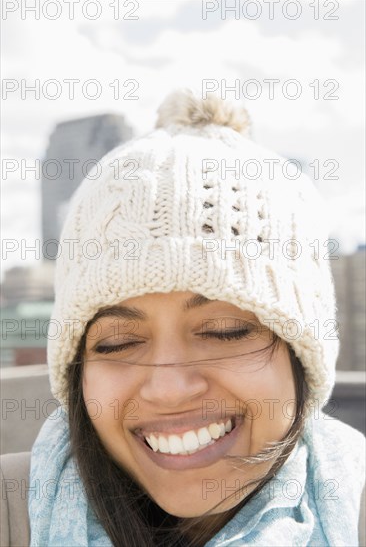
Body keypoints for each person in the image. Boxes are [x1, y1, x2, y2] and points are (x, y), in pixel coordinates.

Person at [28, 88, 365, 546]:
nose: (169, 388)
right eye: (117, 342)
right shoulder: (15, 517)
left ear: (303, 357)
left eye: (225, 332)